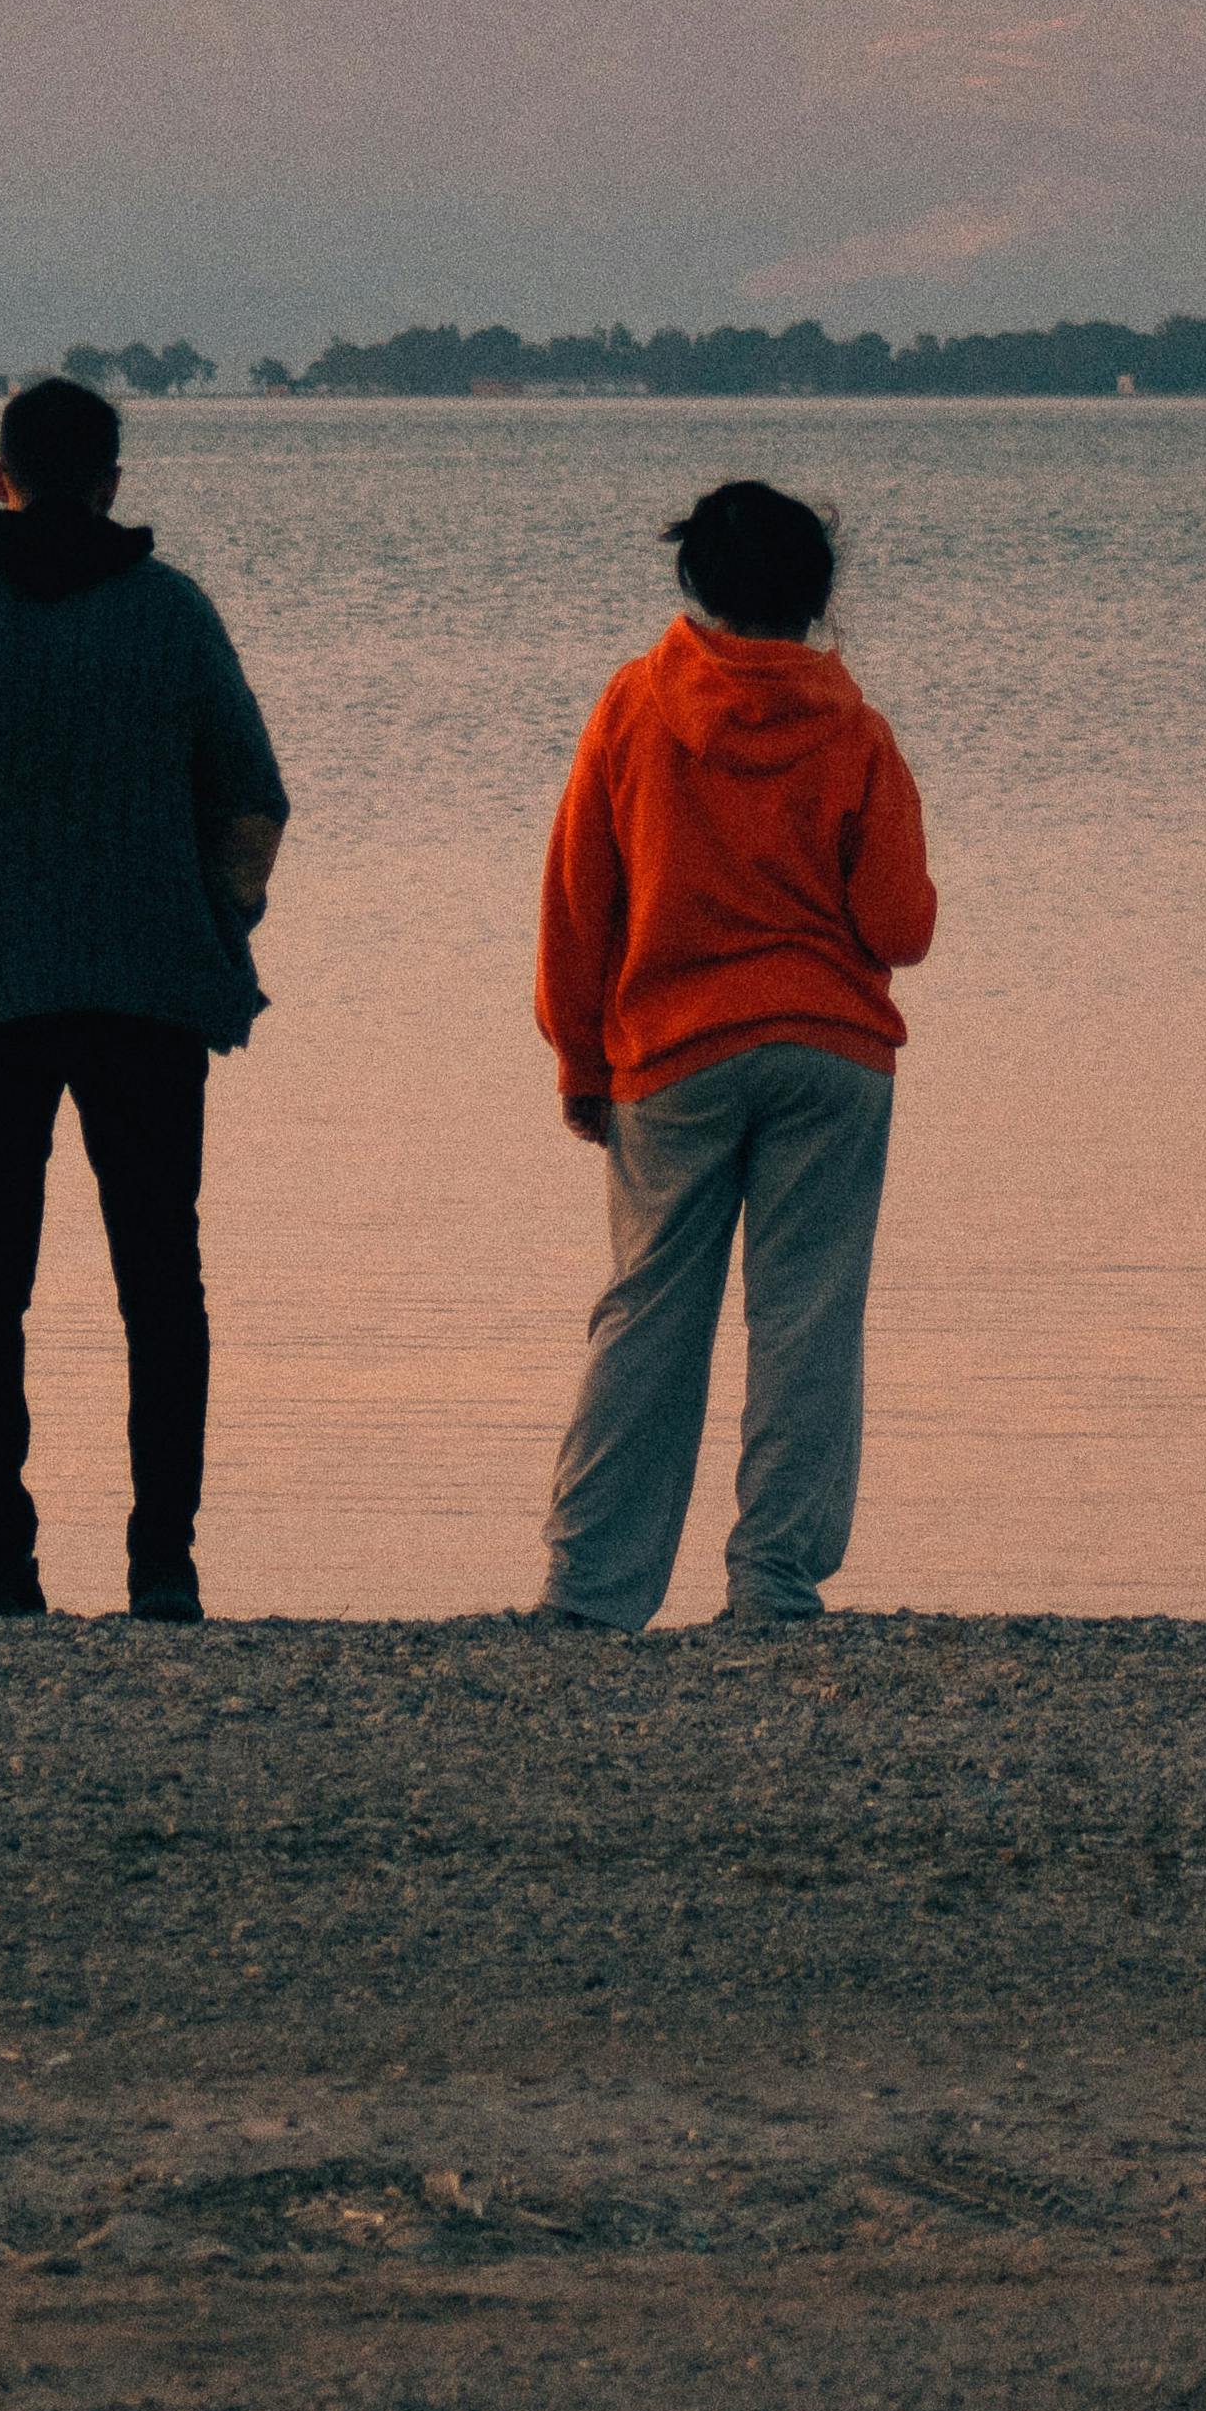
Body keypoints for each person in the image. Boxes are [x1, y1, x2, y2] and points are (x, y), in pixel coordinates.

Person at [0, 373, 289, 1622]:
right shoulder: (172, 613)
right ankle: (165, 1563)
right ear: (112, 483)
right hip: (152, 998)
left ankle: (2, 1559)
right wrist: (215, 935)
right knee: (163, 1274)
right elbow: (252, 802)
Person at [527, 477, 936, 1631]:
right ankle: (773, 1583)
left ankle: (592, 1594)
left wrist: (578, 1060)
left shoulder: (634, 708)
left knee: (647, 1315)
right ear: (817, 599)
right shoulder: (853, 730)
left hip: (672, 1055)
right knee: (806, 1318)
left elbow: (577, 902)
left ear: (695, 583)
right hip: (830, 1050)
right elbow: (900, 925)